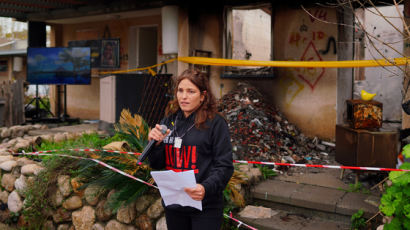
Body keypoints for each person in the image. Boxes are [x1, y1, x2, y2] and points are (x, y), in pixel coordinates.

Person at [148, 69, 234, 230]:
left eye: (190, 91)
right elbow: (157, 164)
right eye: (180, 91)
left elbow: (225, 166)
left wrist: (205, 188)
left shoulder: (216, 124)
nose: (184, 96)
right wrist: (155, 146)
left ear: (203, 96)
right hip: (174, 205)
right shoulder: (170, 121)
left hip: (205, 207)